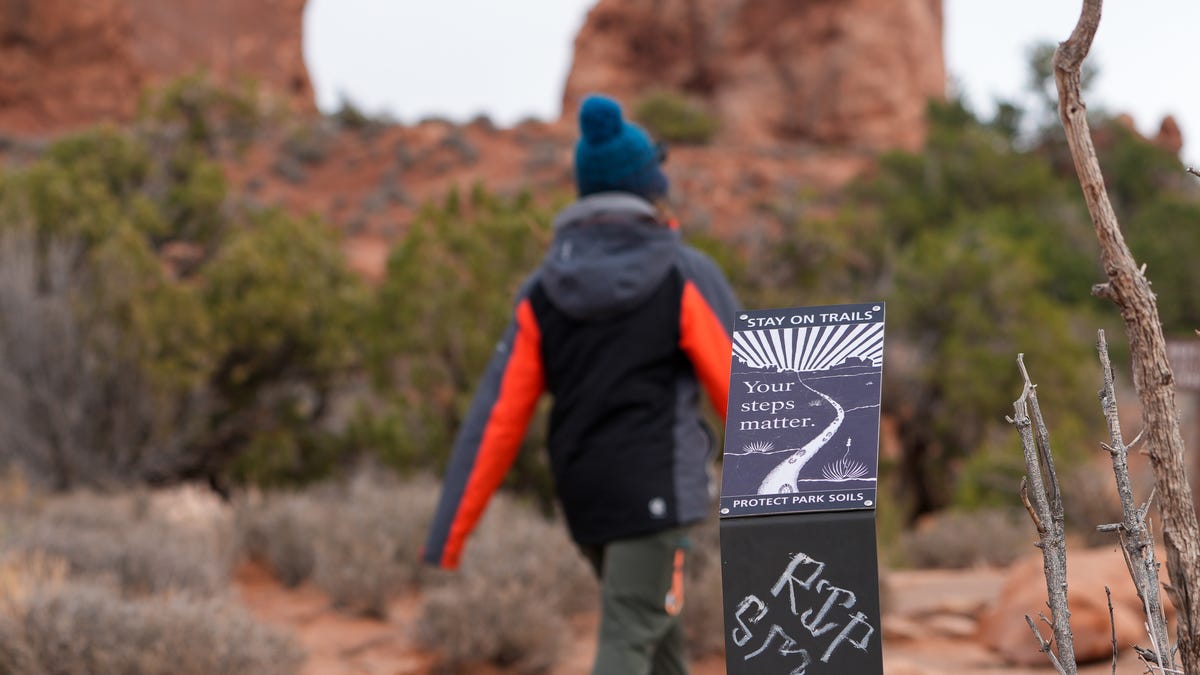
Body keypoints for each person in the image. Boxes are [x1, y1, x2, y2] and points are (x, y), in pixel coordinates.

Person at [422, 93, 738, 675]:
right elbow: (745, 393)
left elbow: (497, 418)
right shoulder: (683, 274)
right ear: (649, 186)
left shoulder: (542, 291)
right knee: (628, 637)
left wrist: (451, 532)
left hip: (585, 499)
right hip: (656, 494)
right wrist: (810, 499)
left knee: (655, 634)